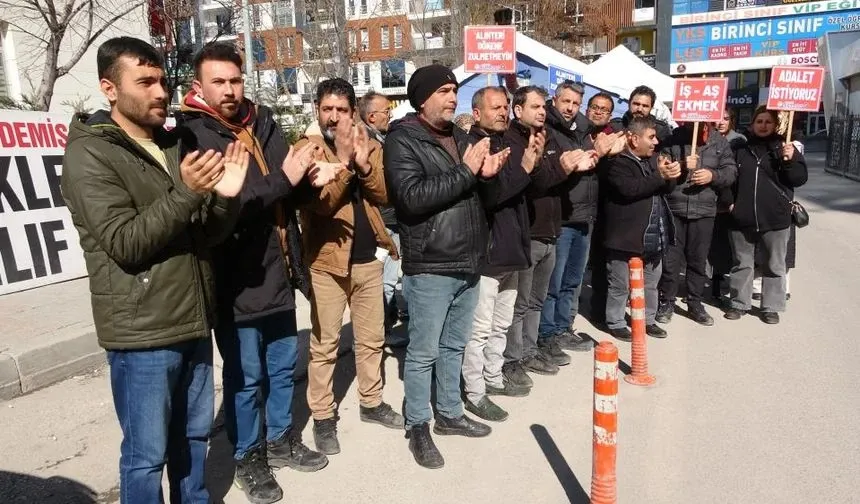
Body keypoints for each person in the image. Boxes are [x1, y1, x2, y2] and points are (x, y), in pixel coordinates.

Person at [61, 37, 248, 504]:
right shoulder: (90, 154)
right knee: (146, 456)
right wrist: (187, 192)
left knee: (194, 440)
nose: (161, 92)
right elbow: (125, 243)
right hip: (142, 333)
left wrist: (224, 199)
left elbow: (204, 233)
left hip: (192, 319)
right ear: (109, 88)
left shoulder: (171, 143)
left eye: (163, 81)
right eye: (145, 82)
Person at [179, 42, 329, 504]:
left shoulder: (262, 121)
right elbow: (226, 206)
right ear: (199, 86)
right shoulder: (192, 134)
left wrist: (311, 182)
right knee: (246, 379)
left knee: (283, 366)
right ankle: (248, 455)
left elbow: (287, 186)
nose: (229, 90)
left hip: (279, 268)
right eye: (218, 82)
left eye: (235, 80)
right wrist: (285, 179)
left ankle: (280, 438)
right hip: (235, 278)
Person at [384, 64, 506, 468]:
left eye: (454, 90)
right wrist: (467, 171)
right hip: (431, 264)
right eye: (443, 91)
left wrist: (486, 177)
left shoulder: (461, 136)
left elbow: (481, 198)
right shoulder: (402, 140)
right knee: (423, 353)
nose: (453, 98)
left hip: (468, 261)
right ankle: (418, 424)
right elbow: (412, 198)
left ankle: (450, 413)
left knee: (455, 345)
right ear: (422, 99)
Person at [296, 78, 405, 456]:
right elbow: (322, 203)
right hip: (326, 263)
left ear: (353, 112)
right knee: (325, 345)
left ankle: (371, 402)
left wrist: (363, 164)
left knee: (371, 338)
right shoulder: (306, 150)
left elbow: (384, 194)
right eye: (327, 109)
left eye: (341, 110)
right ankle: (323, 416)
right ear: (317, 110)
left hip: (367, 260)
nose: (334, 117)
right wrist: (344, 163)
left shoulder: (369, 144)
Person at [504, 88, 600, 385]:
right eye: (535, 107)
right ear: (518, 110)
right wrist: (563, 167)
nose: (542, 111)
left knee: (537, 300)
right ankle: (513, 357)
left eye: (542, 107)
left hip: (550, 229)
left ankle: (531, 349)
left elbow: (553, 179)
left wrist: (571, 165)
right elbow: (532, 184)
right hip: (529, 231)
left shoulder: (547, 136)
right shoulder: (512, 141)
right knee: (519, 304)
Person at [461, 85, 531, 422]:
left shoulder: (506, 143)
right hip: (488, 254)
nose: (503, 112)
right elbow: (492, 197)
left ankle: (493, 376)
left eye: (505, 106)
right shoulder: (473, 147)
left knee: (501, 324)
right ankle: (475, 392)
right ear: (477, 113)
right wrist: (525, 170)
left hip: (511, 248)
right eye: (495, 107)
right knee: (479, 330)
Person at [725, 106, 807, 324]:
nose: (763, 125)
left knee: (775, 264)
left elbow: (799, 179)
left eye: (768, 122)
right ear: (752, 124)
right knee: (742, 263)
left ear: (775, 125)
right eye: (759, 121)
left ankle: (771, 307)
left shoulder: (785, 147)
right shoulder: (740, 148)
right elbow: (728, 178)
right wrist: (730, 203)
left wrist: (790, 160)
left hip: (775, 218)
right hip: (742, 217)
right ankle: (739, 303)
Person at [538, 81, 602, 359]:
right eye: (566, 101)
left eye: (576, 103)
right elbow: (548, 171)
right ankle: (547, 333)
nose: (570, 108)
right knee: (553, 282)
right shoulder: (547, 129)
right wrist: (570, 166)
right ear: (555, 100)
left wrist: (599, 155)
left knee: (572, 280)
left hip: (584, 216)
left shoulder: (583, 130)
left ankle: (563, 327)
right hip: (562, 217)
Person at [603, 116, 681, 340]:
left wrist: (671, 175)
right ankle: (616, 321)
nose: (656, 142)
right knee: (620, 284)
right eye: (651, 137)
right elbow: (630, 189)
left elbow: (665, 188)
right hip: (624, 238)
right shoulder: (618, 162)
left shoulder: (654, 160)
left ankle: (648, 319)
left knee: (650, 283)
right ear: (635, 139)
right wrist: (660, 176)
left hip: (653, 236)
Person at [656, 122, 738, 327]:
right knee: (671, 260)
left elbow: (731, 171)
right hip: (674, 208)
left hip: (704, 211)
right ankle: (666, 301)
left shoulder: (719, 142)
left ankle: (695, 303)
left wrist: (713, 175)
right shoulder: (673, 139)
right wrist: (681, 165)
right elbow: (660, 167)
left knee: (698, 260)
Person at [359, 91, 407, 346]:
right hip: (382, 224)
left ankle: (380, 332)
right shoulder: (367, 143)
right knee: (382, 283)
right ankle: (378, 335)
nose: (390, 115)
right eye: (386, 111)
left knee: (385, 282)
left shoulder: (380, 139)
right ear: (371, 116)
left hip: (388, 222)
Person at [710, 109, 746, 299]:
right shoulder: (706, 137)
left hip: (729, 201)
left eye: (725, 118)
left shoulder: (738, 141)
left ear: (732, 120)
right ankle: (711, 281)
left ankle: (722, 281)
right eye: (717, 118)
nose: (721, 122)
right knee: (710, 245)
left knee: (726, 246)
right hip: (708, 199)